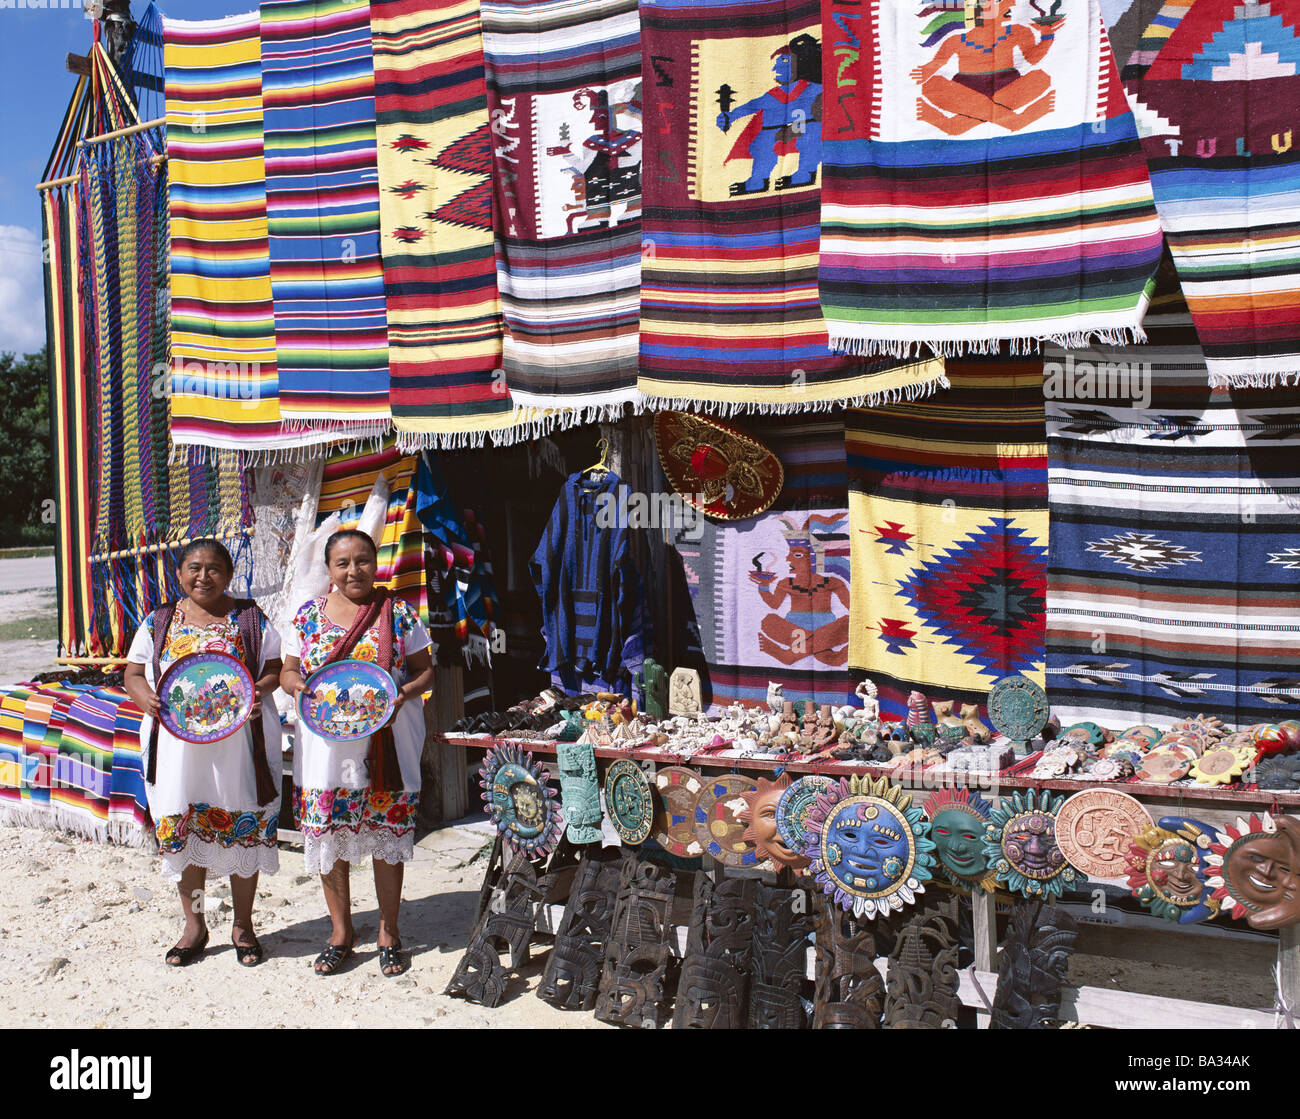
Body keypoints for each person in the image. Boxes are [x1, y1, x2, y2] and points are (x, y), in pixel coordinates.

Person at [280, 529, 435, 977]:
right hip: (326, 750)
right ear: (328, 569)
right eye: (343, 563)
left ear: (376, 562)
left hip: (385, 746)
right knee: (331, 836)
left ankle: (389, 932)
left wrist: (401, 693)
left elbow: (426, 670)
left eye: (363, 560)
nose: (354, 570)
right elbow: (290, 670)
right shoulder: (307, 617)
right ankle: (341, 932)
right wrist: (297, 686)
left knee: (387, 837)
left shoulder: (398, 613)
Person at [123, 539, 283, 968]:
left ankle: (243, 926)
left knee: (241, 825)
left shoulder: (249, 618)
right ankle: (195, 926)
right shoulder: (160, 621)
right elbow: (134, 673)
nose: (203, 576)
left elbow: (273, 667)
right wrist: (147, 701)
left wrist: (256, 692)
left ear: (229, 575)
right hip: (179, 750)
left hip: (239, 746)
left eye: (214, 569)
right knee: (186, 830)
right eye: (194, 568)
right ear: (179, 575)